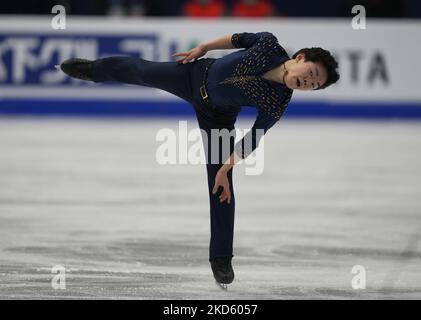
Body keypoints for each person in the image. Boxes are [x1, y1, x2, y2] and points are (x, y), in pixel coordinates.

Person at [59, 32, 339, 289]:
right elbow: (235, 39)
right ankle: (94, 70)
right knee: (141, 70)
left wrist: (225, 169)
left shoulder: (278, 102)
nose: (308, 82)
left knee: (222, 187)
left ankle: (220, 257)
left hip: (216, 117)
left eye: (314, 86)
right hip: (193, 75)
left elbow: (254, 138)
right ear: (300, 57)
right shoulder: (268, 44)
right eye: (312, 73)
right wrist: (204, 47)